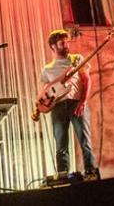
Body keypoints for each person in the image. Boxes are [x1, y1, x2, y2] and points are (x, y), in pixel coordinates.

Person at [39, 29, 98, 177]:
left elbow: (86, 80)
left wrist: (83, 101)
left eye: (67, 42)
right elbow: (45, 91)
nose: (66, 45)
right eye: (62, 43)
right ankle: (63, 175)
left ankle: (90, 171)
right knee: (61, 144)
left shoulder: (76, 59)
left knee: (84, 140)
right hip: (57, 107)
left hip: (76, 103)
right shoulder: (47, 69)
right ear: (53, 46)